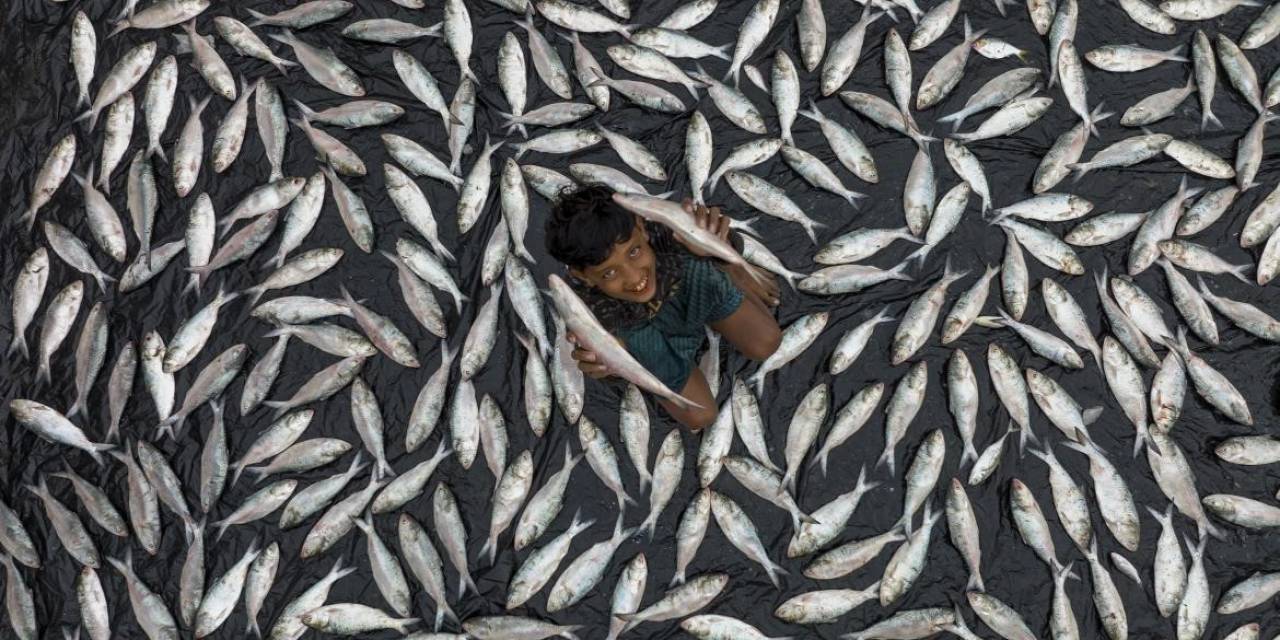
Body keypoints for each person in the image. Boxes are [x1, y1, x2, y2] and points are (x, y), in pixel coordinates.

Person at [544, 185, 783, 430]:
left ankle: (734, 273)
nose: (634, 277)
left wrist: (721, 253)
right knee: (700, 416)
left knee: (767, 342)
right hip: (638, 330)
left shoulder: (669, 232)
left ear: (641, 227)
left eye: (634, 252)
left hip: (684, 285)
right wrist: (612, 367)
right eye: (610, 272)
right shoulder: (586, 308)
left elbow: (719, 238)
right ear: (583, 277)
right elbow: (606, 356)